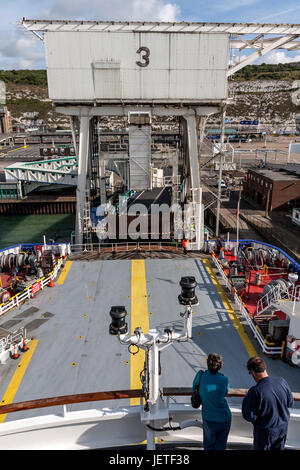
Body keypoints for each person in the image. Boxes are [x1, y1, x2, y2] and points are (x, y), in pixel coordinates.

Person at [242, 356, 294, 450]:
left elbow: (249, 416)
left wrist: (247, 399)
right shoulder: (282, 381)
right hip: (282, 428)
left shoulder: (255, 391)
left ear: (253, 372)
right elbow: (290, 403)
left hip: (265, 433)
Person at [192, 353, 231, 450]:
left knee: (208, 446)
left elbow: (194, 388)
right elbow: (225, 393)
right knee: (221, 446)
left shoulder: (200, 375)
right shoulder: (224, 379)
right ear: (219, 366)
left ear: (208, 364)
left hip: (209, 418)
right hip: (224, 417)